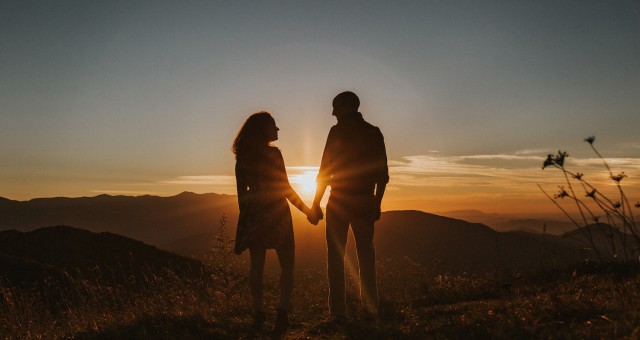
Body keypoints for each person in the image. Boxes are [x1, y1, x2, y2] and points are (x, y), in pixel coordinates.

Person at [309, 91, 389, 321]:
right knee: (366, 252)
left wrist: (316, 203)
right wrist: (377, 202)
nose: (333, 112)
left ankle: (337, 311)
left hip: (339, 200)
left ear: (346, 107)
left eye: (335, 107)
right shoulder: (374, 133)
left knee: (335, 255)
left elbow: (325, 170)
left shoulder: (336, 132)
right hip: (365, 199)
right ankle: (371, 307)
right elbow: (382, 174)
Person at [232, 111, 313, 331]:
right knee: (288, 265)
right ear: (263, 130)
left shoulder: (242, 160)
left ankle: (259, 312)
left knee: (256, 265)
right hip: (277, 213)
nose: (277, 130)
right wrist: (308, 211)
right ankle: (282, 312)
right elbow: (284, 188)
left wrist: (248, 219)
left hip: (253, 214)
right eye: (274, 126)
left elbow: (241, 197)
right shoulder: (274, 155)